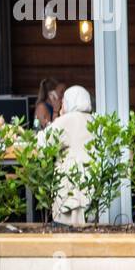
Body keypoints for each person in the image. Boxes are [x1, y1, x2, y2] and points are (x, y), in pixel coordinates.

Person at [43, 85, 95, 227]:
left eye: (64, 102)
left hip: (70, 192)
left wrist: (59, 116)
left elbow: (43, 143)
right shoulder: (92, 119)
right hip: (89, 187)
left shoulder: (68, 120)